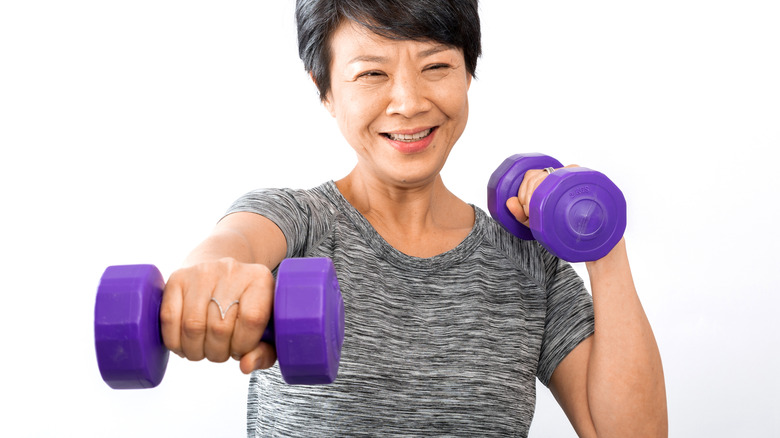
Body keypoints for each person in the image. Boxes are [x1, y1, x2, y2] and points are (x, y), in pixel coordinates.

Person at [160, 0, 668, 436]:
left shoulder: (527, 264)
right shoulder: (298, 223)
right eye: (372, 73)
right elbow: (234, 243)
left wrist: (602, 244)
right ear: (325, 89)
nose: (408, 101)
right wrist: (209, 272)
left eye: (436, 67)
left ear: (469, 71)